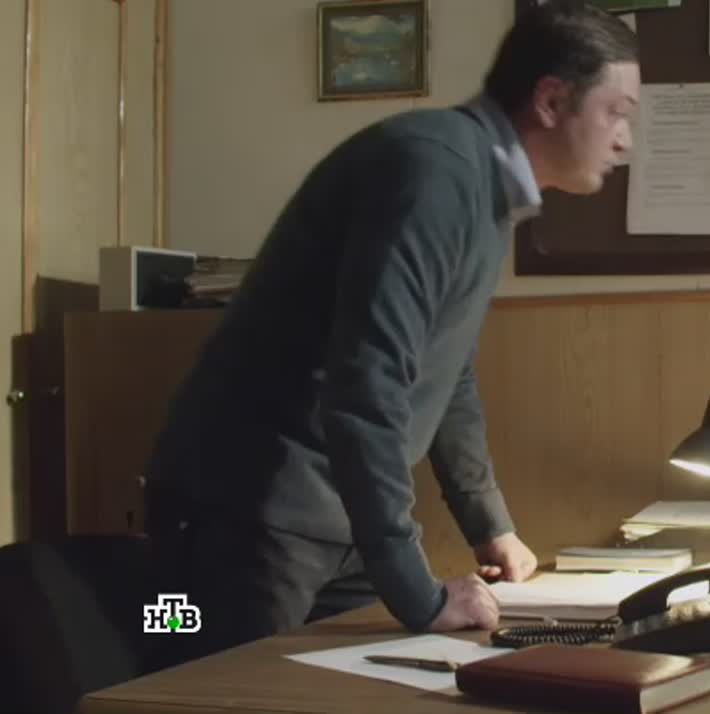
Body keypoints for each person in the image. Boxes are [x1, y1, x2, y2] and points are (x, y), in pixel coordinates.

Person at [142, 0, 638, 668]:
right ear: (550, 101)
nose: (625, 141)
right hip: (244, 514)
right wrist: (418, 593)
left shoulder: (482, 184)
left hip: (335, 517)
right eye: (617, 112)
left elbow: (448, 369)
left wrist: (488, 525)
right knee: (194, 680)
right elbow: (366, 386)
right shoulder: (434, 169)